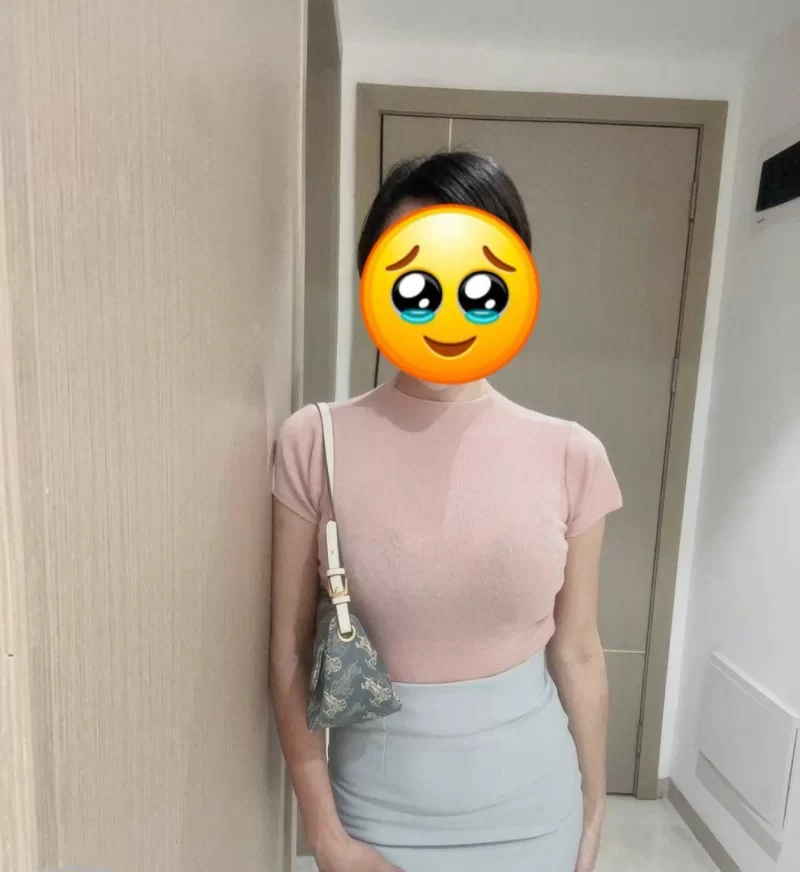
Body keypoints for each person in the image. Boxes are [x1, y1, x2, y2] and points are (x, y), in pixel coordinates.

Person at [269, 151, 623, 872]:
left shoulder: (572, 455)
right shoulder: (315, 442)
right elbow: (289, 650)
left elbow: (579, 650)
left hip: (535, 811)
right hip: (373, 817)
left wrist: (594, 806)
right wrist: (325, 834)